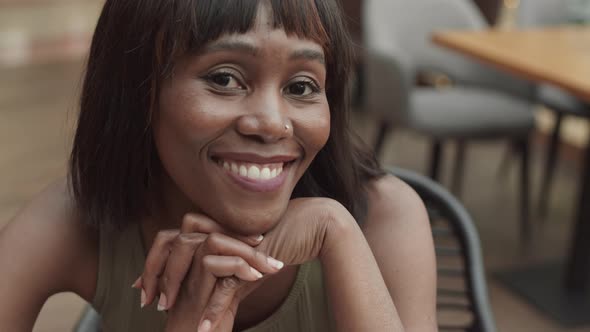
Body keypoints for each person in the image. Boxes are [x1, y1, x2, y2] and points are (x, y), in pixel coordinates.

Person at [0, 0, 436, 331]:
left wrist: (337, 235)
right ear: (137, 92)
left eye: (302, 86)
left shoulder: (383, 219)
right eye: (224, 78)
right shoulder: (77, 220)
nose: (271, 123)